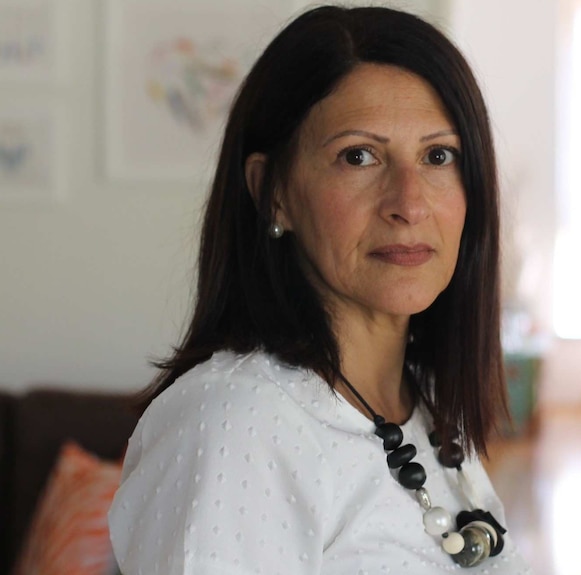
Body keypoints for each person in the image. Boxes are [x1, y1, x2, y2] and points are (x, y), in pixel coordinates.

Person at [108, 5, 532, 574]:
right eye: (358, 156)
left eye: (438, 156)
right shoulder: (239, 424)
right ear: (273, 192)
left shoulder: (426, 405)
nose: (408, 203)